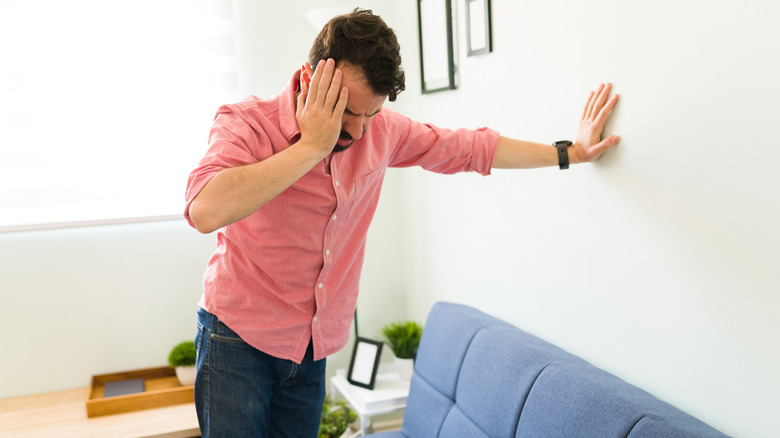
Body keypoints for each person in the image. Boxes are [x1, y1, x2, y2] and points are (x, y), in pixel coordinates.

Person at [184, 8, 619, 438]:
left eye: (369, 115)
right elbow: (205, 209)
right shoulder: (246, 122)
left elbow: (470, 149)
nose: (355, 131)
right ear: (311, 76)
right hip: (237, 339)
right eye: (345, 111)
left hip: (312, 348)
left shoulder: (382, 132)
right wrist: (312, 146)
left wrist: (571, 153)